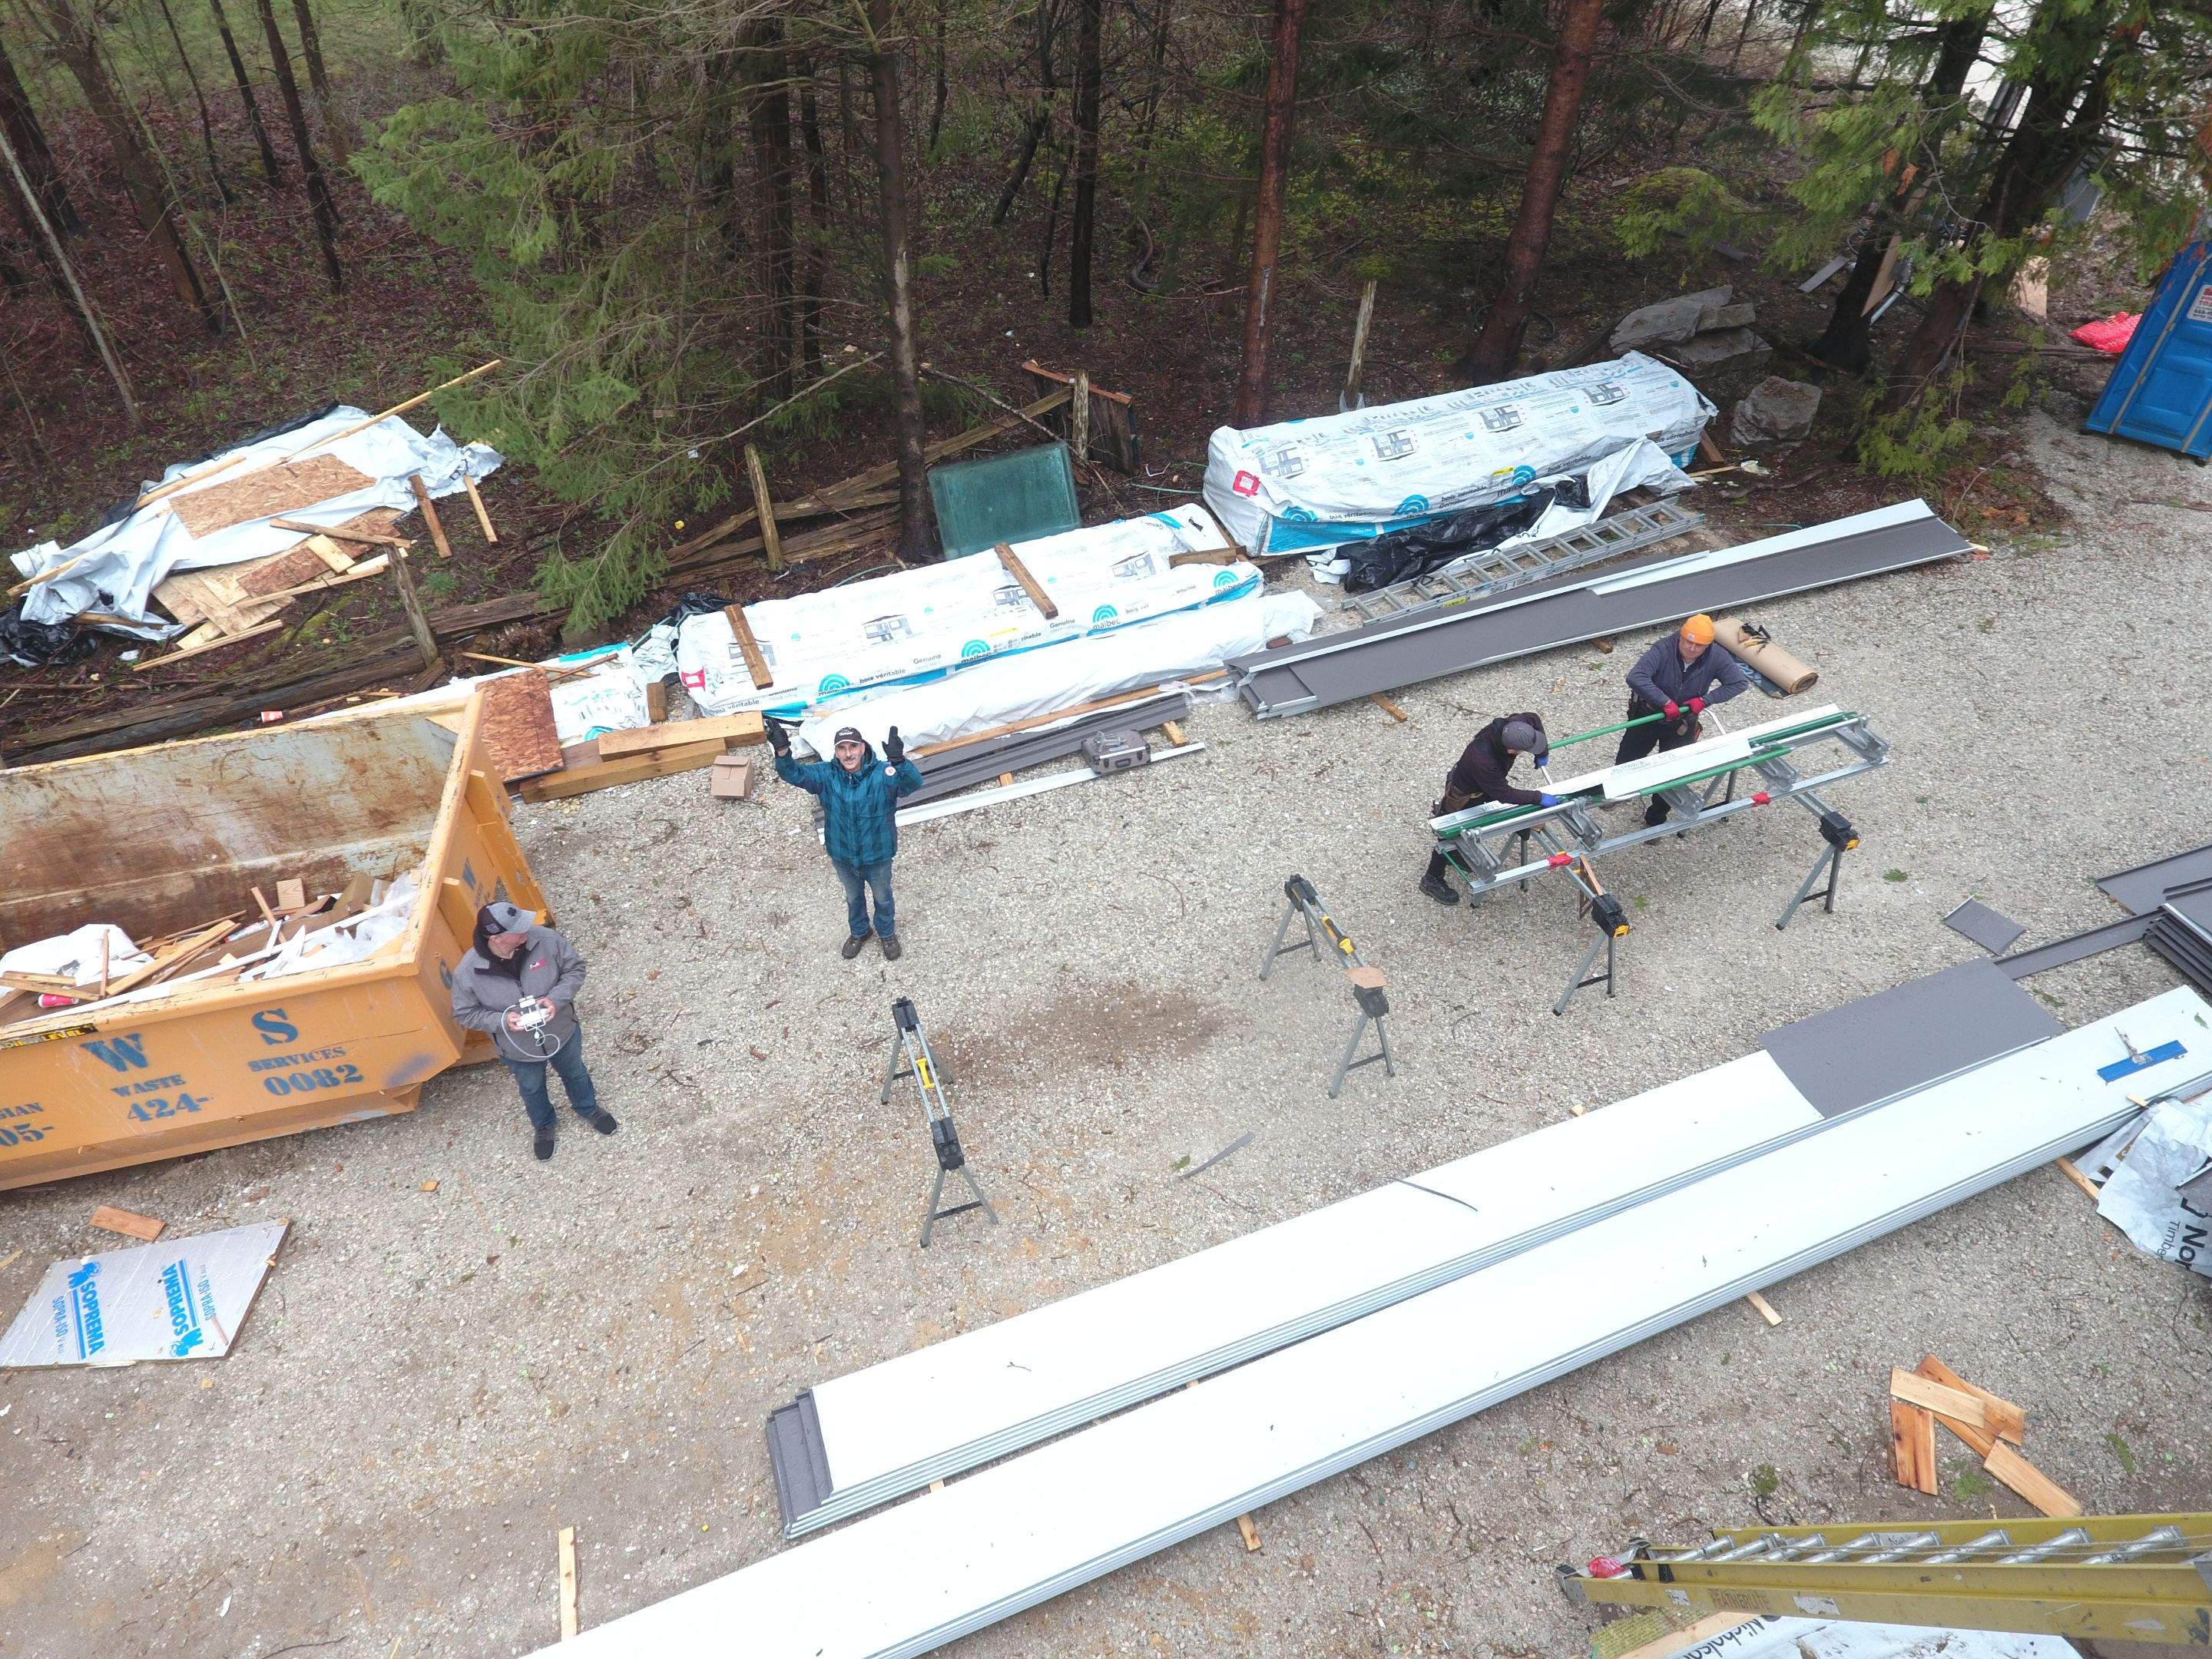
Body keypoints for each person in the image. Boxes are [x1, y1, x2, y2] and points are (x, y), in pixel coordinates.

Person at [450, 901, 616, 1162]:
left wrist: (556, 999)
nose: (528, 929)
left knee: (575, 1073)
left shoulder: (546, 940)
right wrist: (504, 1021)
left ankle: (588, 1108)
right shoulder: (468, 973)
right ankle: (544, 1125)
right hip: (518, 1049)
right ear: (497, 938)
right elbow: (465, 1013)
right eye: (518, 929)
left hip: (563, 1032)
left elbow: (575, 969)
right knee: (531, 1088)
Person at [769, 720, 926, 959]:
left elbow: (914, 784)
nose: (848, 753)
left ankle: (887, 933)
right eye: (842, 748)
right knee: (853, 898)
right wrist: (782, 751)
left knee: (883, 898)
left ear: (863, 748)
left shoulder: (884, 774)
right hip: (843, 854)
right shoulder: (825, 774)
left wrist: (900, 762)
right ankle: (860, 932)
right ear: (836, 752)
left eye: (853, 747)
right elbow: (794, 773)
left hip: (878, 854)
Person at [1614, 612, 1753, 826]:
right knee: (1628, 758)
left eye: (1699, 646)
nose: (1692, 649)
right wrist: (1664, 702)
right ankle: (1618, 793)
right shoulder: (1663, 649)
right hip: (1648, 716)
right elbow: (1636, 676)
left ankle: (1656, 819)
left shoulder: (1716, 656)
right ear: (1681, 637)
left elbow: (1738, 683)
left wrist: (1705, 701)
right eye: (1688, 642)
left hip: (1683, 723)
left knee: (1673, 773)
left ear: (1707, 646)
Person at [1420, 713, 1557, 905]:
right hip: (1466, 793)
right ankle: (1431, 878)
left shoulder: (1518, 723)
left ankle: (1456, 855)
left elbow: (1534, 718)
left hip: (1487, 785)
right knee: (1450, 833)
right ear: (1512, 750)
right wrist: (1538, 797)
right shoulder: (1482, 760)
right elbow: (1505, 794)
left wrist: (1542, 752)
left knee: (1468, 829)